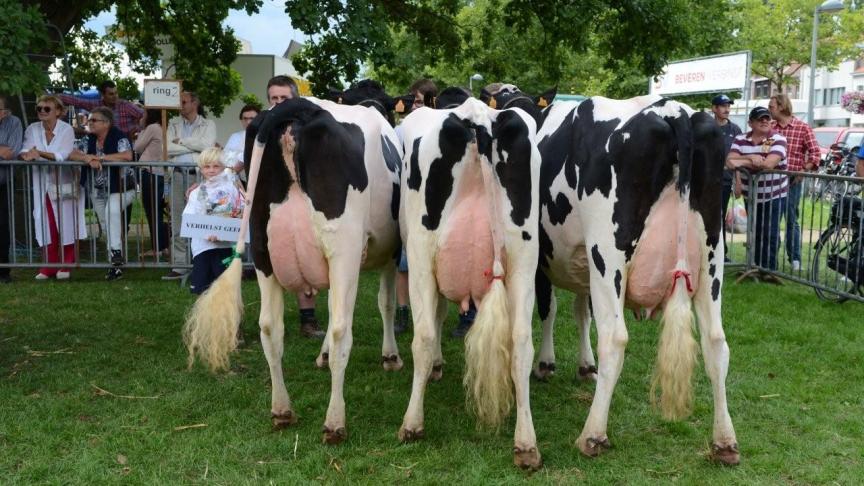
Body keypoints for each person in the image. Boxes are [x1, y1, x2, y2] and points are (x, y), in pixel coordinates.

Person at [262, 75, 324, 338]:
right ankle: (269, 320)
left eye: (283, 99)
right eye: (273, 99)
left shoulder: (312, 127)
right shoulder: (263, 128)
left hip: (305, 200)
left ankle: (308, 320)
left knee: (304, 256)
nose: (278, 104)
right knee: (271, 260)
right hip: (271, 201)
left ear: (295, 98)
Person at [19, 95, 85, 280]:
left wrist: (38, 153)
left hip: (64, 183)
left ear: (58, 112)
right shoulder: (32, 129)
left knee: (66, 222)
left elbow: (62, 155)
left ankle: (66, 264)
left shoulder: (67, 130)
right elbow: (25, 149)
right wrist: (27, 155)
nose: (41, 111)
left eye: (46, 109)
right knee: (45, 224)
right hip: (41, 183)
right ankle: (48, 266)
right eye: (39, 108)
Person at [393, 79, 439, 335]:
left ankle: (447, 313)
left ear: (432, 101)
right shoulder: (402, 129)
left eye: (419, 101)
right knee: (404, 262)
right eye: (411, 102)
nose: (414, 107)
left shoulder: (441, 124)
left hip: (436, 201)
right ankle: (403, 312)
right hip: (409, 201)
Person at [70, 107, 135, 281]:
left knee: (111, 212)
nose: (89, 123)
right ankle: (116, 265)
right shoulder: (88, 138)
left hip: (122, 188)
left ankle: (116, 255)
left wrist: (101, 158)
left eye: (94, 120)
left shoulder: (119, 137)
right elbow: (72, 152)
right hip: (97, 190)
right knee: (107, 225)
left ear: (106, 123)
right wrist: (87, 158)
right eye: (89, 120)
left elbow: (127, 156)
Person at [726, 106, 788, 279]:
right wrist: (751, 158)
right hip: (751, 195)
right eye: (760, 119)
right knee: (755, 231)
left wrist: (742, 161)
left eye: (767, 118)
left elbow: (769, 163)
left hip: (774, 193)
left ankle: (768, 270)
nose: (765, 121)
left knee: (770, 231)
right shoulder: (740, 139)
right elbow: (730, 161)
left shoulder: (778, 139)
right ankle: (755, 266)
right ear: (750, 123)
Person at [162, 91, 217, 281]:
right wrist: (194, 146)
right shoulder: (173, 123)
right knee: (178, 220)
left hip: (200, 177)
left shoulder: (208, 124)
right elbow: (167, 147)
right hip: (177, 175)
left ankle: (202, 263)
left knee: (202, 219)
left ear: (195, 103)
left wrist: (183, 142)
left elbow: (208, 145)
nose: (180, 105)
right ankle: (180, 265)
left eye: (184, 102)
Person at [768, 94, 819, 272]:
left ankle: (795, 257)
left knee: (791, 220)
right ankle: (771, 257)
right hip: (771, 181)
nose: (769, 109)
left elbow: (815, 154)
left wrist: (803, 169)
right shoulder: (770, 128)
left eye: (771, 106)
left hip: (792, 182)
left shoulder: (802, 128)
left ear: (781, 106)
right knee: (772, 220)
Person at [182, 147, 244, 294]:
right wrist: (205, 233)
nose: (211, 170)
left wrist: (224, 233)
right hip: (202, 247)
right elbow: (190, 219)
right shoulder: (196, 192)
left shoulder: (232, 189)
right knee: (203, 289)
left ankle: (230, 316)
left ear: (223, 167)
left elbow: (240, 213)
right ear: (201, 169)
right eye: (207, 166)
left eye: (216, 166)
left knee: (226, 287)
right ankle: (204, 317)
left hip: (225, 246)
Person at [711, 94, 742, 262]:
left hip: (725, 181)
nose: (727, 109)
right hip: (706, 180)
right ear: (714, 108)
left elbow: (738, 157)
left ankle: (721, 252)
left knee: (720, 216)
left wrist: (738, 181)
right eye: (723, 106)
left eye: (728, 105)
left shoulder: (735, 130)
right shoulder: (706, 126)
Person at [135, 109, 169, 259]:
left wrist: (141, 129)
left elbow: (137, 147)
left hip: (151, 172)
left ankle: (158, 247)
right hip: (158, 173)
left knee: (152, 211)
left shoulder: (152, 127)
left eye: (144, 115)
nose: (141, 117)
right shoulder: (161, 127)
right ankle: (162, 246)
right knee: (157, 211)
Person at [57, 80, 144, 138]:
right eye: (111, 94)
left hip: (124, 145)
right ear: (102, 94)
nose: (115, 96)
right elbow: (78, 101)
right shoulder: (97, 105)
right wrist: (55, 98)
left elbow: (145, 116)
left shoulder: (125, 105)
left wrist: (137, 129)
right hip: (103, 145)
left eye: (116, 93)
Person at [0, 96, 23, 283]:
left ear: (6, 112)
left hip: (2, 183)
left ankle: (3, 272)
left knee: (2, 227)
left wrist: (4, 152)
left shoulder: (13, 123)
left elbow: (11, 152)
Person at [223, 104, 260, 182]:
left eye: (252, 118)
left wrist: (232, 171)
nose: (248, 122)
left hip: (260, 181)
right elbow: (224, 157)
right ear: (241, 120)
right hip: (236, 179)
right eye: (245, 118)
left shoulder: (265, 136)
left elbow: (247, 157)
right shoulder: (235, 136)